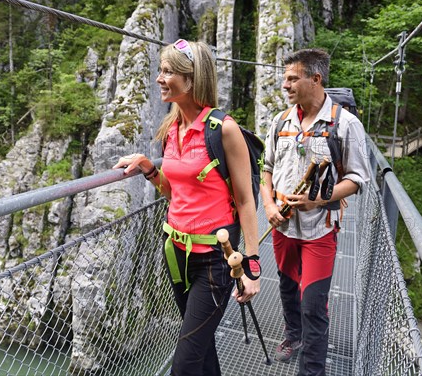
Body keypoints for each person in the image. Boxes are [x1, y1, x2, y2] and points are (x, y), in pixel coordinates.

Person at [113, 39, 260, 376]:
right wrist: (150, 169)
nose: (159, 78)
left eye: (168, 72)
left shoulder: (223, 129)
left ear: (192, 79)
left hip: (214, 260)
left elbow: (245, 200)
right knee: (202, 350)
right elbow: (172, 191)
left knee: (184, 365)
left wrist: (252, 265)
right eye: (160, 70)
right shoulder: (172, 129)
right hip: (176, 253)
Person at [260, 48, 370, 375]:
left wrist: (318, 200)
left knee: (313, 306)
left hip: (319, 229)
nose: (285, 85)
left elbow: (357, 179)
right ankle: (293, 336)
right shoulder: (280, 121)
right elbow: (265, 169)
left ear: (315, 79)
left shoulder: (345, 124)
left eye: (293, 78)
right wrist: (267, 204)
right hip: (282, 226)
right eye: (285, 79)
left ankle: (312, 370)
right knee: (287, 286)